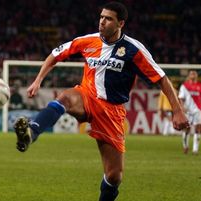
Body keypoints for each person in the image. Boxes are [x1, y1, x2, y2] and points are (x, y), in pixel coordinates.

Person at [13, 2, 189, 201]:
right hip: (87, 96)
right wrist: (38, 80)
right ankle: (32, 131)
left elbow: (162, 79)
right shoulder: (88, 41)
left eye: (108, 18)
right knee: (65, 97)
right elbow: (55, 54)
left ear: (120, 23)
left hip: (111, 111)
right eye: (101, 17)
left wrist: (178, 110)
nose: (102, 22)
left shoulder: (133, 49)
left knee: (114, 176)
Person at [179, 70, 201, 154]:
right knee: (187, 128)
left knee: (198, 129)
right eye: (191, 73)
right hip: (188, 111)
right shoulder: (184, 86)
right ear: (189, 76)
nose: (193, 74)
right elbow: (181, 98)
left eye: (195, 73)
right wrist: (182, 107)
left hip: (198, 110)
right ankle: (185, 146)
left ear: (197, 76)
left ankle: (195, 149)